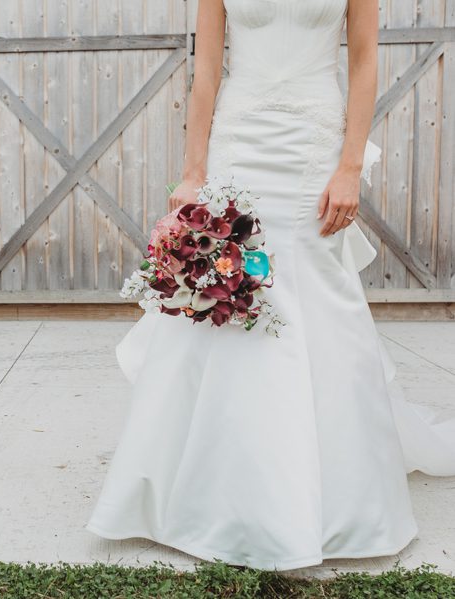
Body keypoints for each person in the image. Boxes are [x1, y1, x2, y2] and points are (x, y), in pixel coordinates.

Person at [85, 0, 455, 570]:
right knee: (229, 297)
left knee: (320, 298)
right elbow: (205, 70)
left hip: (312, 143)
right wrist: (193, 171)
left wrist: (350, 166)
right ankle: (211, 493)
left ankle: (332, 496)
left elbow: (362, 64)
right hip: (241, 140)